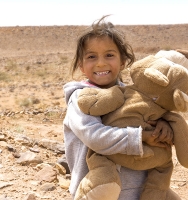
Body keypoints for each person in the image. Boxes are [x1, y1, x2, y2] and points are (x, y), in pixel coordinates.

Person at [63, 15, 179, 200]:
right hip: (98, 191)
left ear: (123, 61)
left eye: (109, 55)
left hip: (138, 191)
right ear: (81, 66)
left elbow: (151, 116)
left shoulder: (133, 95)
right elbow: (94, 137)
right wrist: (142, 137)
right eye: (92, 57)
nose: (101, 63)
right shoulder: (80, 98)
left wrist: (163, 126)